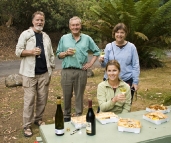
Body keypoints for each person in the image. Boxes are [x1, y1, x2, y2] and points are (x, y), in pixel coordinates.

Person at [15, 11, 55, 137]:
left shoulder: (46, 36)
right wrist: (31, 52)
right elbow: (18, 51)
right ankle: (26, 125)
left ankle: (38, 119)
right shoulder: (25, 34)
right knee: (29, 100)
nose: (39, 22)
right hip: (29, 74)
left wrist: (51, 69)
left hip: (44, 74)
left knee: (42, 99)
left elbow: (51, 54)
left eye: (42, 20)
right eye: (37, 20)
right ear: (33, 21)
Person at [56, 16, 100, 122]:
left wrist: (90, 63)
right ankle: (66, 116)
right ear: (69, 26)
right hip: (67, 71)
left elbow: (97, 52)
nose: (75, 27)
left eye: (77, 25)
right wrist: (66, 53)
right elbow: (58, 54)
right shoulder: (64, 38)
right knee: (66, 94)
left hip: (81, 71)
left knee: (79, 95)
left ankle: (78, 116)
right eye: (73, 25)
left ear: (80, 26)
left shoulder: (87, 38)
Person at [99, 23, 140, 103]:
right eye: (117, 32)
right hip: (110, 80)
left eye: (122, 32)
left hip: (126, 81)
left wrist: (135, 82)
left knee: (123, 104)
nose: (119, 35)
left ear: (125, 34)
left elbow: (135, 65)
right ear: (114, 33)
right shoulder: (108, 46)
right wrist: (102, 61)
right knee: (108, 104)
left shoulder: (131, 47)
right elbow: (105, 65)